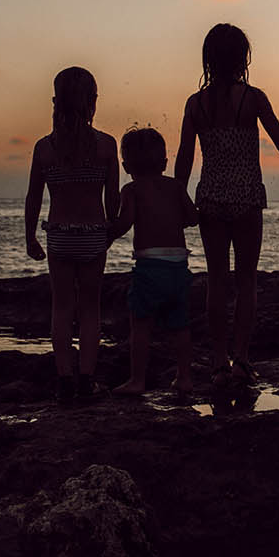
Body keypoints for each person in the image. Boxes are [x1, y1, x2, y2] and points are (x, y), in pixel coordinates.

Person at [175, 23, 279, 389]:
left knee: (216, 281)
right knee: (247, 281)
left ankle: (217, 363)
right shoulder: (253, 98)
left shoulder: (195, 104)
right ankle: (242, 361)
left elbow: (185, 155)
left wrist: (180, 195)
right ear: (243, 58)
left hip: (211, 197)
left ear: (207, 59)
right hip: (246, 197)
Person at [24, 66, 120, 405]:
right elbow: (113, 199)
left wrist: (29, 237)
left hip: (60, 236)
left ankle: (64, 379)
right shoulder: (106, 146)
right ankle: (87, 380)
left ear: (56, 101)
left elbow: (34, 196)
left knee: (62, 308)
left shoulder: (45, 148)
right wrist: (111, 231)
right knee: (91, 308)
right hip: (94, 233)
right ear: (93, 102)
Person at [110, 127, 199, 397]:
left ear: (126, 166)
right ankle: (184, 377)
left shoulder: (131, 190)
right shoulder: (175, 186)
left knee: (140, 324)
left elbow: (125, 223)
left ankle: (137, 380)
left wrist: (105, 234)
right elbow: (192, 217)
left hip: (149, 268)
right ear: (164, 162)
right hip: (178, 267)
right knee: (180, 325)